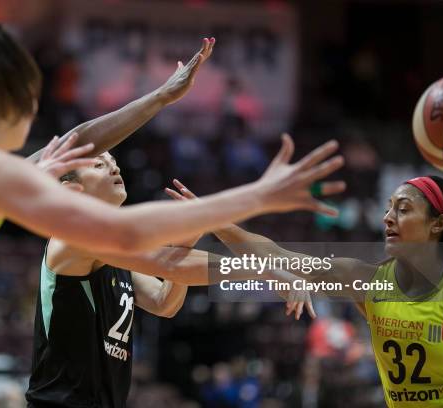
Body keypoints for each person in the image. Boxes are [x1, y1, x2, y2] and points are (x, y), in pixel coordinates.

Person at [0, 23, 343, 406]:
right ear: (13, 101)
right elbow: (137, 238)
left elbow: (80, 147)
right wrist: (256, 198)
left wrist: (162, 97)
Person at [27, 152, 316, 408]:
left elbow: (164, 302)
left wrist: (186, 244)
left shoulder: (113, 256)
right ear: (71, 189)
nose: (114, 167)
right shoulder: (72, 237)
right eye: (99, 164)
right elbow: (169, 265)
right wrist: (265, 269)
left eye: (114, 162)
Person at [166, 174, 443, 407]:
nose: (388, 217)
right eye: (388, 208)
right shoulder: (368, 281)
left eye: (403, 209)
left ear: (438, 224)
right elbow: (277, 257)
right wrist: (209, 219)